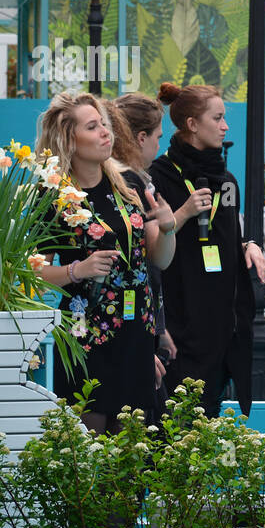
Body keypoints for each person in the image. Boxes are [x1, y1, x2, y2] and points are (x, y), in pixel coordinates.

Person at [34, 92, 178, 434]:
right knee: (92, 453)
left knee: (132, 453)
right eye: (93, 126)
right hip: (87, 338)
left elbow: (160, 259)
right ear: (70, 139)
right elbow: (34, 271)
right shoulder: (54, 194)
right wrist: (76, 271)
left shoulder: (129, 185)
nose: (106, 133)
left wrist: (169, 227)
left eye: (104, 125)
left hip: (135, 333)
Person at [149, 83, 265, 417]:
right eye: (217, 118)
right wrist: (184, 212)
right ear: (191, 124)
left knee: (209, 417)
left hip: (219, 324)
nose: (225, 126)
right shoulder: (157, 178)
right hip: (179, 319)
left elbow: (228, 236)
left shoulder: (226, 180)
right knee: (173, 423)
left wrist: (248, 245)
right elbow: (147, 248)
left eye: (224, 118)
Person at [111, 93, 198, 421]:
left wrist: (158, 328)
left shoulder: (131, 181)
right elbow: (146, 262)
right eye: (159, 138)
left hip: (136, 324)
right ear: (141, 138)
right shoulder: (130, 183)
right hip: (128, 328)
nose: (160, 148)